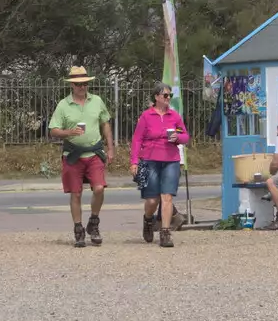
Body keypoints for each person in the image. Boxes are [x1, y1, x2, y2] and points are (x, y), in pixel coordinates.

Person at [49, 66, 114, 247]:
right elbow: (53, 130)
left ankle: (94, 223)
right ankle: (78, 229)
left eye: (84, 83)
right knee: (76, 193)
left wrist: (110, 148)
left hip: (94, 152)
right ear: (72, 85)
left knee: (99, 188)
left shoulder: (97, 101)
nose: (82, 87)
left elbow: (106, 124)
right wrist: (68, 132)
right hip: (73, 154)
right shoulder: (63, 105)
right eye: (78, 84)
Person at [130, 83, 189, 248]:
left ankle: (165, 232)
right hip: (150, 160)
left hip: (171, 160)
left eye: (170, 95)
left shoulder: (174, 116)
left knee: (167, 196)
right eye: (165, 95)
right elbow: (137, 140)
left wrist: (177, 137)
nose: (168, 98)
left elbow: (185, 136)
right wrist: (134, 161)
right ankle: (148, 219)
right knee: (152, 199)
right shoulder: (146, 116)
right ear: (156, 97)